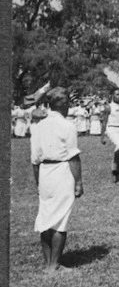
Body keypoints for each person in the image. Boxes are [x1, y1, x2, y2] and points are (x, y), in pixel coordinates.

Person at [31, 87, 83, 273]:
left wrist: (38, 182)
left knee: (46, 217)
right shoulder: (67, 126)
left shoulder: (38, 126)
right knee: (60, 220)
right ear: (64, 104)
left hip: (45, 172)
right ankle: (55, 265)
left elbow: (34, 160)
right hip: (62, 170)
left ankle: (48, 264)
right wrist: (78, 181)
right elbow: (73, 157)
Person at [100, 88, 119, 183]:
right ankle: (114, 167)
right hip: (112, 129)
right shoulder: (108, 107)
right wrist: (102, 136)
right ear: (112, 95)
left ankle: (117, 176)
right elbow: (104, 122)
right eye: (117, 94)